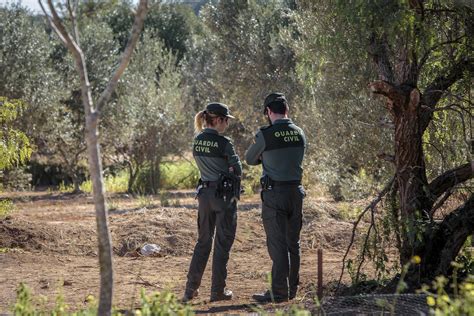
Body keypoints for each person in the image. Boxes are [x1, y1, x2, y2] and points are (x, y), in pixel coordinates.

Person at [245, 92, 306, 303]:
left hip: (275, 195)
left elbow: (249, 159)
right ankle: (292, 290)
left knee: (278, 244)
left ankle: (279, 292)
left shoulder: (265, 135)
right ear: (286, 110)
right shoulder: (299, 132)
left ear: (269, 112)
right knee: (293, 243)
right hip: (296, 192)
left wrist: (265, 155)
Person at [182, 102, 242, 303]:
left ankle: (190, 289)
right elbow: (237, 169)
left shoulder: (197, 140)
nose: (227, 124)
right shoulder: (225, 143)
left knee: (203, 242)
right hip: (223, 197)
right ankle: (218, 291)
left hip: (204, 196)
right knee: (222, 243)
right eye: (226, 120)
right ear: (217, 120)